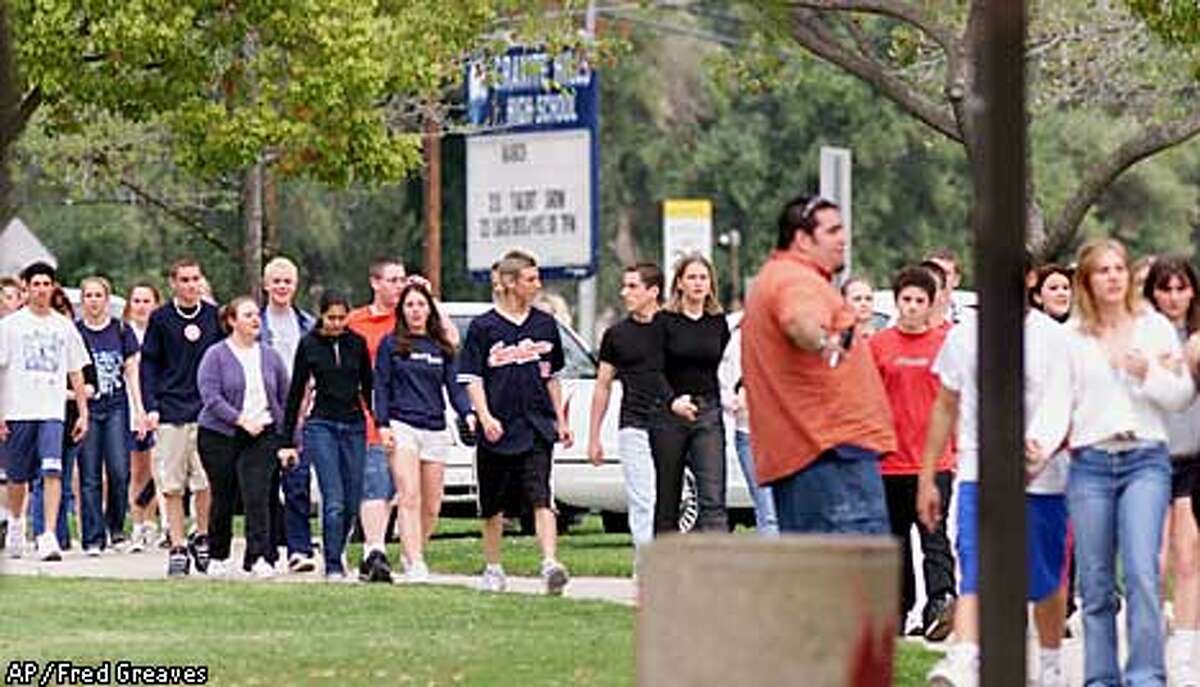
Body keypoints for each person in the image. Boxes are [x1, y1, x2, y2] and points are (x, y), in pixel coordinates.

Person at [919, 256, 1075, 687]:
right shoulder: (964, 337)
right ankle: (966, 658)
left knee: (1046, 582)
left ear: (1029, 279)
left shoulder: (1053, 339)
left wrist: (1038, 447)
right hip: (978, 470)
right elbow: (946, 405)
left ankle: (1049, 665)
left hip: (1043, 476)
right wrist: (928, 473)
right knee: (976, 563)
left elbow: (1062, 402)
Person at [1065, 239, 1190, 685]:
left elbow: (1179, 396)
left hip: (1145, 460)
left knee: (1140, 570)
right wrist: (1036, 445)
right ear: (1087, 281)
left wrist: (1148, 373)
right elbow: (1058, 404)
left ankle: (1146, 676)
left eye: (1119, 268)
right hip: (1090, 462)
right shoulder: (1073, 337)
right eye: (1103, 270)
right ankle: (1100, 678)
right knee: (1096, 583)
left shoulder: (1152, 327)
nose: (1114, 277)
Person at [742, 195, 895, 534]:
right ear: (802, 239)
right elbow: (800, 320)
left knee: (820, 581)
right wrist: (824, 341)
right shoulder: (795, 280)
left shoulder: (778, 277)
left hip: (813, 459)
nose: (844, 240)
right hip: (830, 458)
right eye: (833, 231)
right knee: (853, 580)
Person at [459, 249, 572, 595]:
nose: (537, 285)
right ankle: (494, 566)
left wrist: (560, 419)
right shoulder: (483, 327)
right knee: (492, 504)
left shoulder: (544, 324)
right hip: (498, 428)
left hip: (536, 425)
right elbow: (472, 378)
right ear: (509, 283)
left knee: (541, 494)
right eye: (530, 279)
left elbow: (551, 374)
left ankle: (550, 562)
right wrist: (485, 415)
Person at [868, 266, 956, 642]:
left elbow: (958, 398)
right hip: (889, 462)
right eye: (906, 300)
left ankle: (940, 603)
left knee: (934, 536)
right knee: (896, 541)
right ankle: (897, 611)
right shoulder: (879, 346)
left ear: (931, 303)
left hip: (935, 461)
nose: (913, 308)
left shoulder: (946, 344)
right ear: (896, 301)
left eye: (920, 301)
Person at [375, 282, 475, 583]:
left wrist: (467, 413)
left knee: (432, 504)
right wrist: (382, 424)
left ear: (429, 309)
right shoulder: (391, 345)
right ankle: (416, 562)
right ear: (402, 311)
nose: (416, 311)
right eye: (410, 305)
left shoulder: (440, 346)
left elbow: (454, 386)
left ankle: (413, 552)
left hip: (434, 427)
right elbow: (380, 386)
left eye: (421, 305)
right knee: (409, 495)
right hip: (402, 424)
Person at [279, 291, 373, 581]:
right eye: (331, 318)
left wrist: (380, 423)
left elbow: (367, 387)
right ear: (320, 316)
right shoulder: (309, 345)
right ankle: (332, 564)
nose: (336, 324)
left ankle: (338, 548)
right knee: (333, 499)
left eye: (341, 318)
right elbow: (296, 391)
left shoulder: (356, 344)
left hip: (354, 424)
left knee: (352, 498)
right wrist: (287, 440)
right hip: (321, 424)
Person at [0, 262, 90, 561]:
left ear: (53, 287)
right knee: (17, 477)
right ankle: (15, 523)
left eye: (45, 284)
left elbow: (76, 371)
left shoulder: (63, 327)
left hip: (52, 410)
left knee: (53, 470)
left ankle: (47, 534)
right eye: (35, 284)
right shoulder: (10, 326)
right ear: (26, 288)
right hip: (17, 409)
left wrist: (83, 412)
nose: (40, 290)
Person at [140, 258, 223, 577]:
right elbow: (149, 365)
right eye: (184, 280)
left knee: (205, 481)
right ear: (173, 283)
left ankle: (202, 536)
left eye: (195, 279)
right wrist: (151, 405)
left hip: (207, 412)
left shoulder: (214, 316)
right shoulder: (161, 319)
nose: (191, 286)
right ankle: (176, 545)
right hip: (171, 410)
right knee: (172, 483)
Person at [197, 296, 290, 578]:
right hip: (220, 434)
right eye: (247, 315)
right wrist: (239, 420)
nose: (254, 320)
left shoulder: (270, 356)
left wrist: (289, 440)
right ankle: (218, 554)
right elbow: (210, 396)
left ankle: (259, 555)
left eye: (256, 315)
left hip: (262, 433)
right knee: (223, 495)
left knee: (257, 494)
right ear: (232, 321)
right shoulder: (216, 355)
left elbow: (284, 398)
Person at [1144, 256, 1200, 684]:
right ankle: (1147, 636)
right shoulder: (1142, 333)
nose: (1174, 297)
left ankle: (1185, 646)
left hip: (1193, 457)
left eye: (1182, 288)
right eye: (1166, 288)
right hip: (1149, 454)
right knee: (1151, 557)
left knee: (1189, 553)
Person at [588, 263, 670, 554]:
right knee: (642, 499)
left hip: (673, 425)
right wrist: (594, 436)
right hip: (633, 425)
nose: (625, 292)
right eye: (624, 286)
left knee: (668, 500)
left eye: (633, 286)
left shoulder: (674, 327)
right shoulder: (616, 335)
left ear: (653, 291)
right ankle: (646, 567)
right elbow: (603, 385)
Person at [652, 255, 731, 534]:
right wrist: (673, 400)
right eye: (692, 278)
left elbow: (723, 362)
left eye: (703, 278)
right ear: (680, 284)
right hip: (670, 413)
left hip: (707, 410)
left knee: (713, 494)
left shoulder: (717, 323)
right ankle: (666, 566)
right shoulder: (664, 321)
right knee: (669, 496)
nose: (698, 284)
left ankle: (716, 567)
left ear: (711, 285)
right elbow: (653, 369)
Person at [347, 257, 407, 583]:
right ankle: (374, 550)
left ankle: (394, 551)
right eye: (393, 280)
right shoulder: (356, 322)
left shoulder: (413, 318)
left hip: (410, 414)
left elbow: (450, 341)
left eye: (403, 280)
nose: (399, 286)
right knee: (375, 484)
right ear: (375, 283)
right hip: (369, 415)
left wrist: (432, 303)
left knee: (402, 490)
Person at [76, 276, 146, 554]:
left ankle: (116, 527)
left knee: (119, 471)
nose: (94, 301)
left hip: (116, 405)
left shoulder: (120, 330)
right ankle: (93, 537)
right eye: (89, 296)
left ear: (107, 299)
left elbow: (132, 371)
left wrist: (140, 409)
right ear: (83, 301)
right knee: (90, 474)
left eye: (98, 295)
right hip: (89, 409)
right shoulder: (76, 332)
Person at [259, 256, 317, 574]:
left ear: (295, 286)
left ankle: (300, 549)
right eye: (276, 281)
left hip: (299, 413)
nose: (282, 287)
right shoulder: (257, 323)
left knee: (298, 483)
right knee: (264, 484)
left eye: (287, 282)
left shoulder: (307, 324)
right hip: (265, 411)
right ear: (266, 284)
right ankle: (266, 551)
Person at [718, 314, 778, 536]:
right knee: (768, 510)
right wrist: (731, 401)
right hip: (749, 433)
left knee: (784, 510)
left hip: (784, 436)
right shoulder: (737, 339)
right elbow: (721, 380)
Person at [123, 283, 163, 552]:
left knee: (159, 471)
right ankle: (137, 524)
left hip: (160, 408)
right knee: (138, 470)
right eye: (136, 300)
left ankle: (153, 523)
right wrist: (138, 411)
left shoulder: (160, 333)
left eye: (146, 300)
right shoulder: (125, 333)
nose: (141, 306)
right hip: (130, 407)